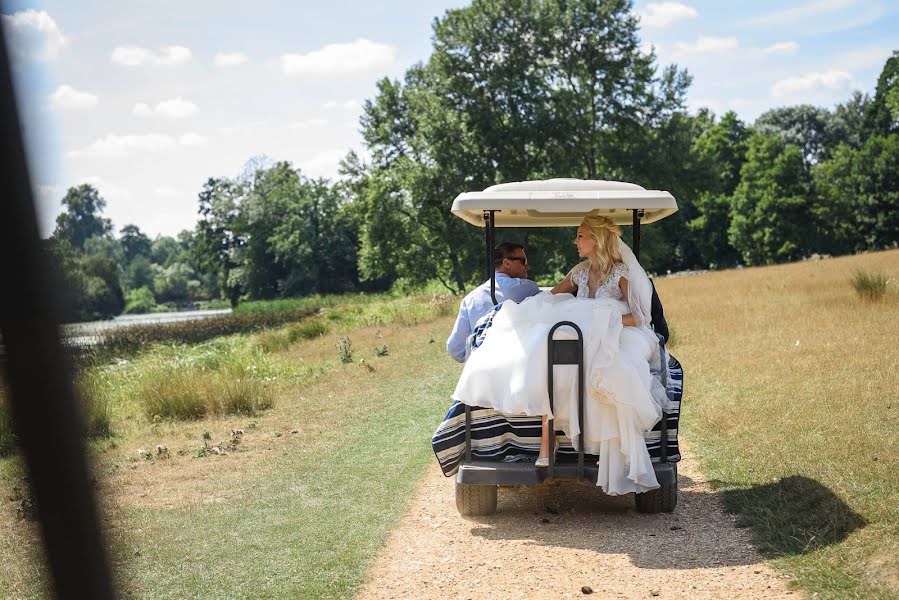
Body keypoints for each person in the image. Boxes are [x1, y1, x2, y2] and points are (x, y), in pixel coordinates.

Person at [451, 210, 666, 494]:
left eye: (580, 235)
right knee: (550, 344)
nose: (574, 241)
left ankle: (560, 439)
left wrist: (602, 320)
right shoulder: (578, 273)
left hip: (617, 335)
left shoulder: (620, 274)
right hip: (582, 335)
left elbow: (639, 318)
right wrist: (522, 314)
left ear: (597, 239)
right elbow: (547, 298)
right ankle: (546, 439)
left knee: (594, 361)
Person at [445, 242, 540, 363]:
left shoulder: (469, 299)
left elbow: (455, 349)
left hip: (483, 371)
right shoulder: (526, 288)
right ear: (507, 263)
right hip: (518, 365)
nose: (528, 267)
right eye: (524, 261)